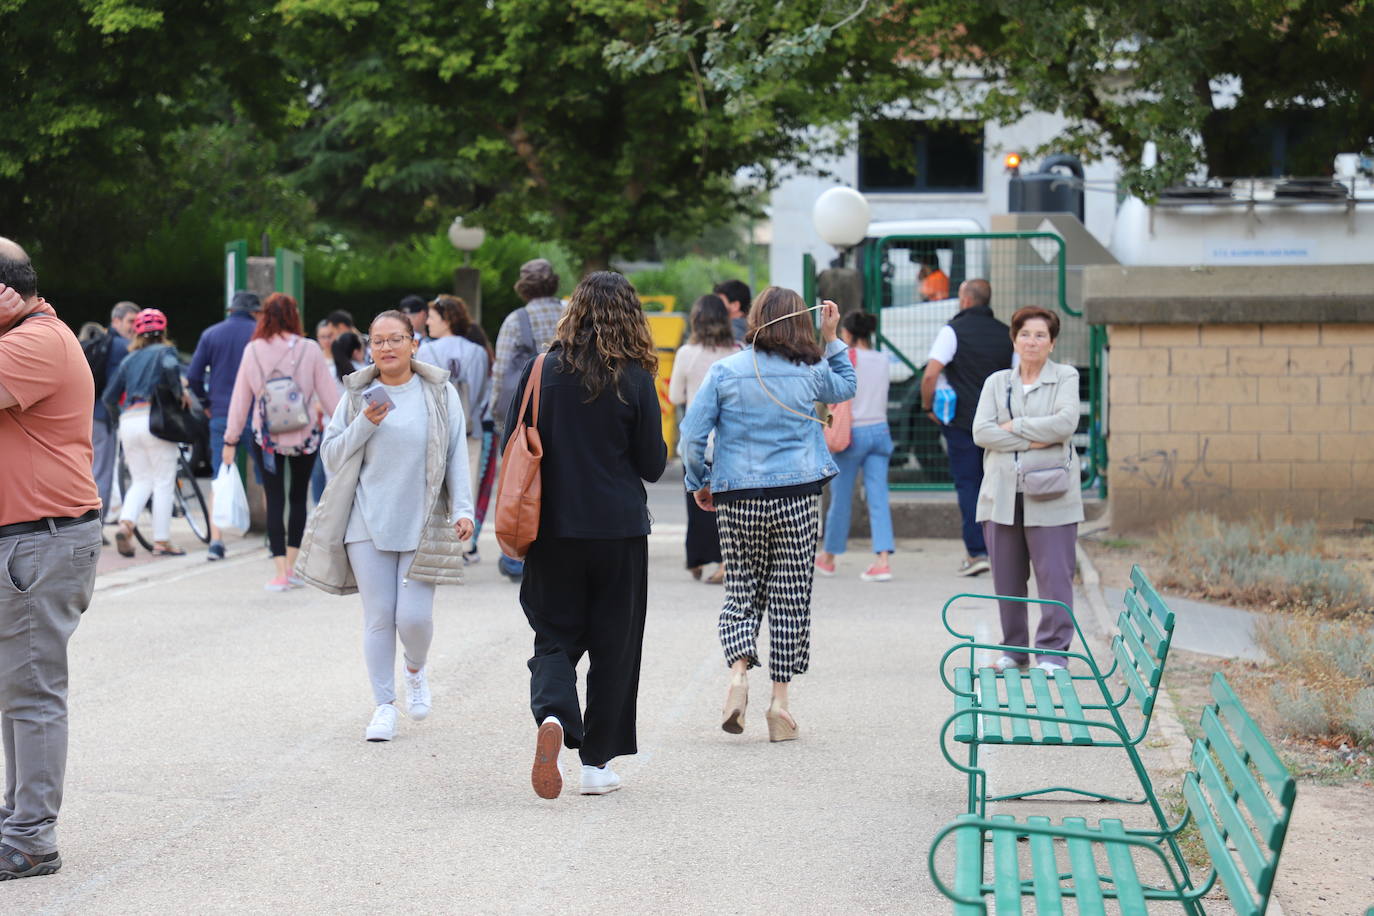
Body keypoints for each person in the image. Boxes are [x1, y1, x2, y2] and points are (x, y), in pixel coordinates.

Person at [510, 271, 666, 799]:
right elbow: (652, 465)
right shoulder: (637, 379)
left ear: (572, 310)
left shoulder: (539, 371)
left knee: (554, 637)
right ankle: (596, 765)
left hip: (553, 530)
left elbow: (517, 440)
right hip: (618, 532)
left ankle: (553, 716)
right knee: (614, 646)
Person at [681, 290, 853, 743]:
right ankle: (779, 705)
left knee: (742, 587)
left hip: (738, 495)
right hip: (797, 495)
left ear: (754, 319)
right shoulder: (812, 371)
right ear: (801, 323)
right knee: (791, 596)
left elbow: (691, 436)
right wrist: (832, 337)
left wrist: (699, 481)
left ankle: (738, 678)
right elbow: (847, 385)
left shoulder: (725, 371)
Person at [296, 309, 474, 742]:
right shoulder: (358, 394)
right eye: (378, 340)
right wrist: (364, 424)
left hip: (423, 520)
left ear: (414, 344)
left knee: (413, 619)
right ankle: (383, 706)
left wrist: (464, 509)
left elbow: (455, 454)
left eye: (396, 339)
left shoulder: (438, 391)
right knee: (379, 617)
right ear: (368, 348)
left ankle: (415, 669)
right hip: (366, 520)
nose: (387, 348)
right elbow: (331, 456)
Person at [0, 249, 102, 881]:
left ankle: (32, 836)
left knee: (32, 691)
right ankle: (19, 817)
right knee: (17, 688)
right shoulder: (29, 335)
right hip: (32, 540)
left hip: (40, 541)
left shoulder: (35, 343)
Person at [972, 306, 1083, 672]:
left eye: (1040, 335)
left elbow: (1065, 424)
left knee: (1054, 577)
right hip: (1001, 493)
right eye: (1024, 334)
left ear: (1052, 343)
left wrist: (1014, 427)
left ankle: (1053, 653)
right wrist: (1035, 436)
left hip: (1053, 493)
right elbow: (981, 432)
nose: (1031, 341)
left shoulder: (1065, 377)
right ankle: (1014, 649)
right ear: (1014, 339)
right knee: (1006, 577)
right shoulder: (996, 382)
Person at [224, 293, 340, 591]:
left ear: (265, 316)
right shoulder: (310, 349)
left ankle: (279, 572)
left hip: (267, 438)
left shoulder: (253, 350)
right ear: (294, 315)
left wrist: (231, 438)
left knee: (275, 499)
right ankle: (293, 565)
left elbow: (241, 398)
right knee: (298, 498)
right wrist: (350, 427)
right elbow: (329, 396)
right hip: (305, 436)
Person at [921, 278, 1012, 577]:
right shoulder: (1005, 333)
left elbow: (930, 375)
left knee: (969, 484)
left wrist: (927, 406)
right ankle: (1002, 552)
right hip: (999, 423)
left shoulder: (952, 331)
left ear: (966, 300)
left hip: (962, 423)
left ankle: (977, 552)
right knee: (998, 484)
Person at [491, 258, 564, 581]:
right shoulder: (571, 311)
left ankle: (517, 557)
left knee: (524, 485)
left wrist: (499, 418)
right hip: (567, 412)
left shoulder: (515, 320)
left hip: (530, 416)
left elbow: (501, 372)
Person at [102, 308, 190, 558]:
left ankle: (126, 524)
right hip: (155, 420)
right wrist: (179, 394)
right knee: (163, 481)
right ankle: (161, 541)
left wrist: (119, 418)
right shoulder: (166, 351)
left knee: (141, 479)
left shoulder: (129, 359)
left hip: (129, 421)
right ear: (163, 332)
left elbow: (109, 396)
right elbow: (172, 368)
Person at [815, 311, 895, 582]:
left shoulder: (847, 358)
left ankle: (829, 557)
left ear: (847, 334)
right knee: (878, 497)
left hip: (852, 434)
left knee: (841, 498)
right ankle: (882, 560)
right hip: (881, 431)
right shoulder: (884, 358)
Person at [668, 294, 737, 584]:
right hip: (730, 442)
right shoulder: (738, 351)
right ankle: (725, 562)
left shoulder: (687, 353)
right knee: (729, 507)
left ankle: (695, 559)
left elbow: (675, 397)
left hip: (697, 442)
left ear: (695, 320)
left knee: (697, 505)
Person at [187, 290, 261, 560]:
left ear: (231, 310)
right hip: (255, 414)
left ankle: (216, 542)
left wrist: (206, 404)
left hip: (220, 414)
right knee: (266, 475)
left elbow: (193, 376)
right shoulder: (259, 334)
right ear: (254, 311)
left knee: (220, 476)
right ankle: (273, 538)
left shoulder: (211, 334)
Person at [418, 295, 491, 564]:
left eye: (432, 317)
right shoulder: (478, 352)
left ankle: (434, 542)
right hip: (470, 426)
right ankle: (463, 543)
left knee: (433, 484)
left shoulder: (425, 351)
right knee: (467, 483)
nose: (427, 322)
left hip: (434, 427)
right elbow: (483, 391)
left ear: (446, 319)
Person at [90, 301, 139, 527]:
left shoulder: (104, 343)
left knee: (92, 471)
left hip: (91, 414)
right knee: (103, 473)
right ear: (116, 321)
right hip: (104, 417)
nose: (134, 327)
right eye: (130, 321)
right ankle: (95, 528)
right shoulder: (122, 346)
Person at [311, 332, 365, 504]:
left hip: (332, 430)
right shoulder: (364, 373)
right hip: (361, 431)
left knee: (332, 480)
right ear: (356, 351)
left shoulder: (331, 372)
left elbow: (319, 402)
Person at [713, 278, 752, 344]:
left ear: (735, 305)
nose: (715, 305)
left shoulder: (727, 334)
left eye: (719, 301)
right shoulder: (756, 330)